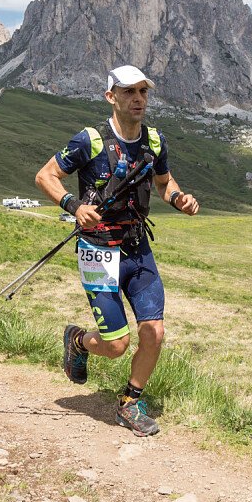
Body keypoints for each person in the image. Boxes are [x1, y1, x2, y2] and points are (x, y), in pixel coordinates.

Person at [35, 65, 199, 437]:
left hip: (137, 248)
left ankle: (129, 402)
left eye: (143, 91)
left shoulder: (154, 141)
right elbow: (45, 175)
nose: (138, 98)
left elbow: (163, 181)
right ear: (112, 97)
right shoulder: (89, 141)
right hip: (97, 251)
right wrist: (73, 205)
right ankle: (77, 341)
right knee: (116, 345)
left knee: (153, 331)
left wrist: (177, 198)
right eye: (129, 92)